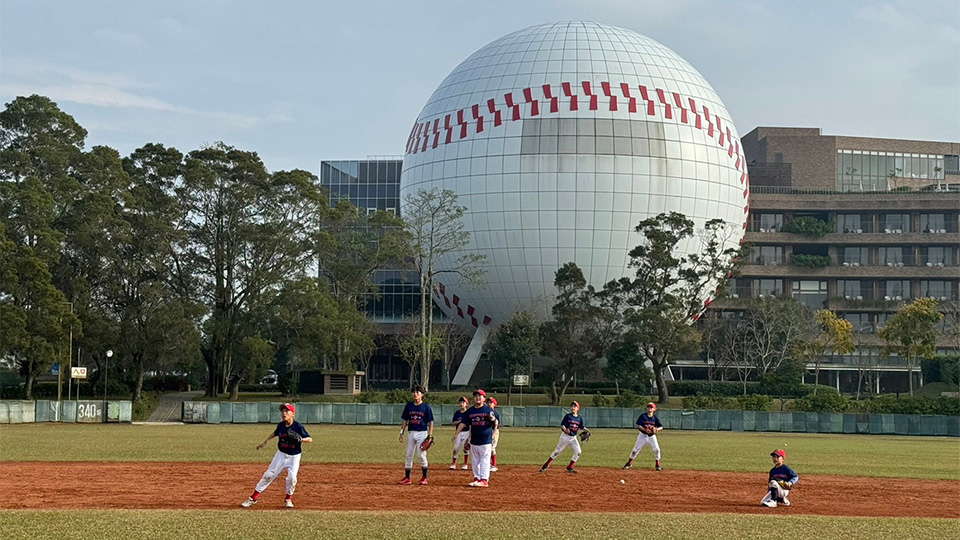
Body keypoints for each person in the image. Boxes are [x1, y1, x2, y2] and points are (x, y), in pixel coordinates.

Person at [241, 403, 312, 508]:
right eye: (282, 411)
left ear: (292, 414)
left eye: (287, 411)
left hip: (294, 456)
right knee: (269, 475)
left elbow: (310, 439)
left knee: (292, 478)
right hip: (281, 455)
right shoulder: (281, 425)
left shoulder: (298, 426)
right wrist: (265, 442)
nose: (284, 413)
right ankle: (253, 498)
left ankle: (288, 499)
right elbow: (275, 433)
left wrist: (301, 439)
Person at [455, 389, 498, 487]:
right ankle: (477, 478)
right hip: (474, 440)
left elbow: (495, 422)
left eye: (480, 396)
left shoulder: (488, 410)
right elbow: (463, 423)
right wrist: (456, 433)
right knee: (475, 460)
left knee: (484, 460)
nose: (478, 398)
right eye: (476, 396)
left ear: (484, 398)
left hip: (485, 439)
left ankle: (484, 479)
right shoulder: (470, 411)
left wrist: (495, 431)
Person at [398, 385, 434, 485]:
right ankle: (407, 478)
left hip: (422, 433)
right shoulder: (409, 406)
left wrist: (430, 435)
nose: (415, 394)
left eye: (418, 392)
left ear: (422, 395)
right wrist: (402, 432)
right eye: (413, 392)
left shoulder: (426, 407)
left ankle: (424, 477)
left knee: (421, 455)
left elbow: (431, 422)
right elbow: (405, 420)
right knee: (409, 455)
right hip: (411, 433)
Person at [539, 401, 586, 474]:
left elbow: (582, 427)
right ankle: (546, 464)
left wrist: (588, 431)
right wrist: (565, 430)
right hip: (565, 437)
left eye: (575, 406)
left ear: (578, 408)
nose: (573, 408)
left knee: (578, 452)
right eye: (572, 406)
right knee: (557, 451)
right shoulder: (568, 416)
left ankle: (569, 467)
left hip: (573, 438)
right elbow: (562, 425)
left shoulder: (580, 418)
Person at [622, 402, 663, 471]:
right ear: (647, 408)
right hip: (642, 436)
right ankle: (629, 463)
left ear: (654, 409)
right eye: (648, 407)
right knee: (635, 450)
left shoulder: (655, 418)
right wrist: (645, 430)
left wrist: (656, 430)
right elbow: (639, 425)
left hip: (651, 436)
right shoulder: (643, 416)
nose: (649, 408)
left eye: (651, 407)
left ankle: (657, 464)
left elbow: (661, 427)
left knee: (657, 449)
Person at [450, 396, 470, 470]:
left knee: (466, 448)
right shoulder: (457, 413)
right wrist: (458, 422)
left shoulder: (468, 413)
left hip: (466, 432)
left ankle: (465, 464)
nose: (462, 404)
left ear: (466, 404)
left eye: (463, 402)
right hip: (458, 432)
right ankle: (454, 463)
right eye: (460, 402)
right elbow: (454, 422)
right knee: (456, 448)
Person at [489, 397, 501, 472]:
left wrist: (494, 433)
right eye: (488, 402)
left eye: (491, 402)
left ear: (494, 404)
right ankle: (489, 464)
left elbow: (497, 424)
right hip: (488, 432)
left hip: (494, 431)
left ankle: (494, 465)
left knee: (492, 449)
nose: (489, 404)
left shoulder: (495, 413)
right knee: (487, 448)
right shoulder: (486, 412)